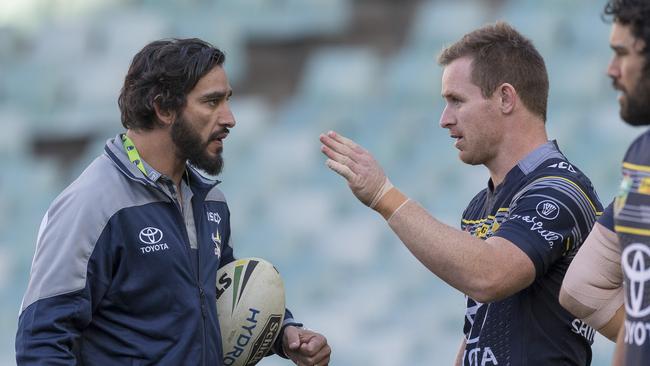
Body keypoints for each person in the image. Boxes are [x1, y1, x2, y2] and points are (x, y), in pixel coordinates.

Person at [15, 38, 331, 366]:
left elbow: (218, 301)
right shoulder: (92, 205)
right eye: (212, 102)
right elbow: (41, 342)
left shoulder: (211, 201)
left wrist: (284, 334)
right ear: (164, 109)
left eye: (228, 100)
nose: (230, 118)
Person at [320, 22, 602, 365]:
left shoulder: (559, 190)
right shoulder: (480, 205)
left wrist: (383, 195)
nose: (444, 119)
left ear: (505, 98)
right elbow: (477, 333)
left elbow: (491, 275)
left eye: (456, 101)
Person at [559, 0, 650, 364]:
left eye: (621, 54)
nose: (611, 70)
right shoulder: (640, 155)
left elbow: (585, 286)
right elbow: (584, 284)